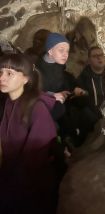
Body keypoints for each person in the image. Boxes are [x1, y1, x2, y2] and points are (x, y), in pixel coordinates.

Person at [0, 53, 59, 214]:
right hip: (11, 178)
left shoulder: (37, 109)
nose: (2, 78)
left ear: (26, 79)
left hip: (31, 189)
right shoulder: (8, 103)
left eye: (9, 73)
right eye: (1, 72)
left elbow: (35, 159)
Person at [74, 46, 105, 144]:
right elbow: (81, 105)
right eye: (95, 56)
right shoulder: (82, 79)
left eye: (101, 55)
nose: (99, 58)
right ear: (89, 60)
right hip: (93, 122)